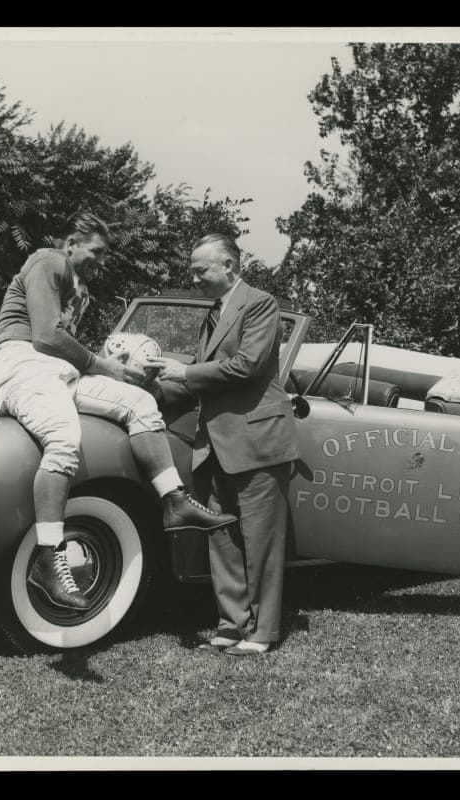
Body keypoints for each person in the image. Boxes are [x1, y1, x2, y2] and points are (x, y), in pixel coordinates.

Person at [0, 213, 236, 611]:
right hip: (21, 362)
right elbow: (47, 336)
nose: (100, 262)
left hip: (57, 371)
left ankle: (175, 501)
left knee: (140, 403)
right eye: (96, 252)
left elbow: (68, 351)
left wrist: (128, 375)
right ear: (71, 242)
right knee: (65, 440)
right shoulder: (49, 260)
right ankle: (49, 559)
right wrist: (109, 368)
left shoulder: (78, 287)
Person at [146, 233, 299, 656]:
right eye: (193, 270)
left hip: (256, 440)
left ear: (229, 265)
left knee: (261, 541)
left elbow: (246, 367)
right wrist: (150, 391)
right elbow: (201, 375)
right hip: (214, 444)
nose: (194, 278)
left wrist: (183, 372)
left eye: (201, 270)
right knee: (223, 537)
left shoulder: (260, 303)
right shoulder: (214, 313)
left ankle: (262, 632)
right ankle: (231, 625)